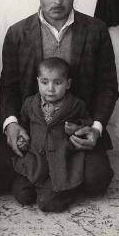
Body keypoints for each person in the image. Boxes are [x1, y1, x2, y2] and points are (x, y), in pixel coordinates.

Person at [0, 0, 119, 197]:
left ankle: (55, 176)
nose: (57, 0)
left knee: (97, 181)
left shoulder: (95, 30)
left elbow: (107, 88)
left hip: (76, 129)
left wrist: (96, 128)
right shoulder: (18, 33)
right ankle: (52, 175)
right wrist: (11, 125)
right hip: (33, 128)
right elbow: (8, 87)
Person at [12, 57, 93, 212]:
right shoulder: (30, 103)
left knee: (48, 204)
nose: (50, 89)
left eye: (57, 83)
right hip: (35, 159)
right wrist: (23, 139)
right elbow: (23, 123)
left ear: (68, 84)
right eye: (44, 82)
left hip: (60, 161)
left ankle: (68, 190)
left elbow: (87, 123)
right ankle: (39, 187)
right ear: (37, 82)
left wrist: (76, 128)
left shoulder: (75, 105)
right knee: (22, 196)